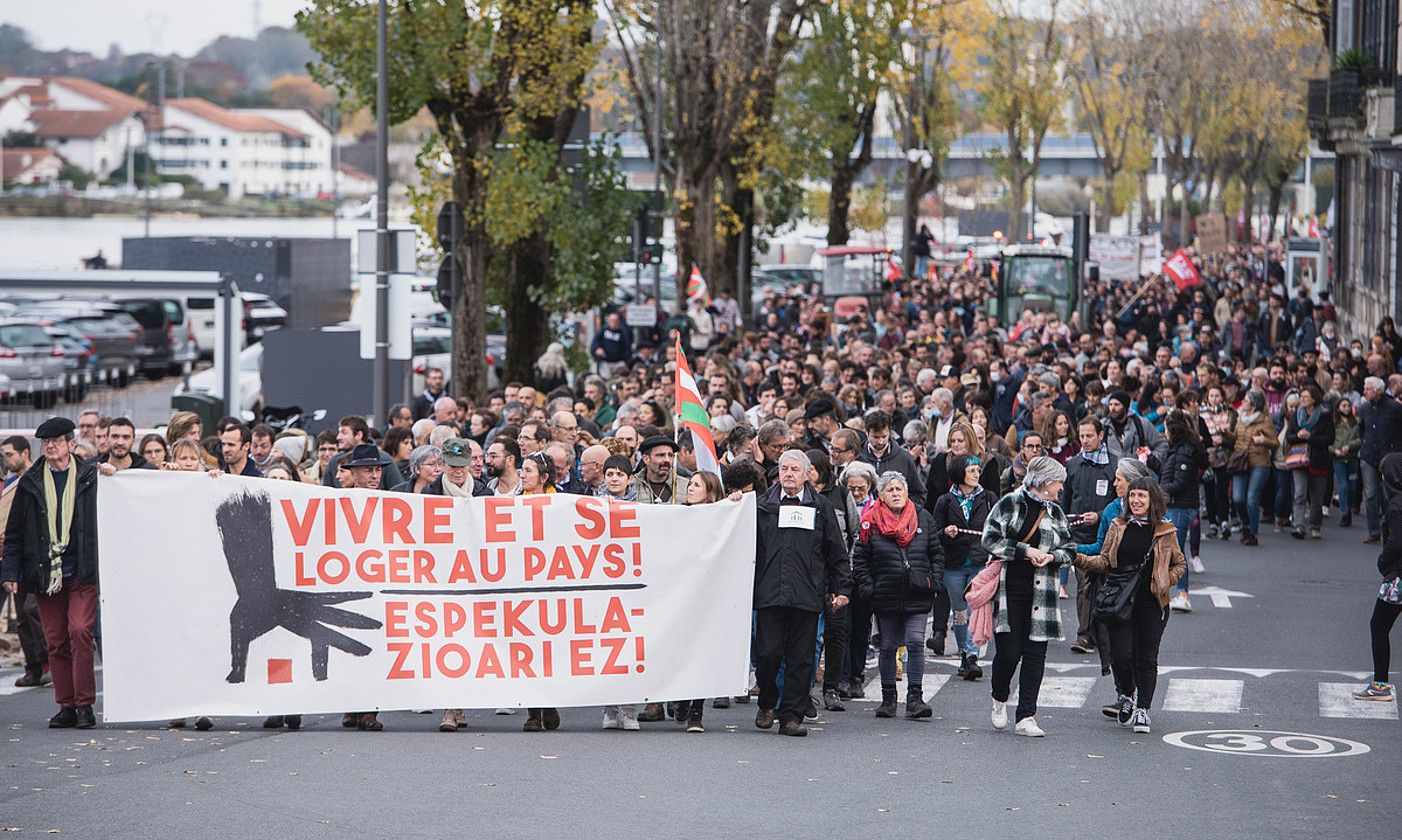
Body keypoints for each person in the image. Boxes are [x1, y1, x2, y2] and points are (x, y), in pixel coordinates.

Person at [2, 418, 100, 730]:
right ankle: (66, 705)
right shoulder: (31, 482)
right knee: (55, 641)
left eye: (57, 440)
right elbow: (15, 531)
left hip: (81, 569)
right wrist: (11, 571)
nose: (50, 446)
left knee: (80, 631)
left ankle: (84, 703)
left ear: (72, 443)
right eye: (45, 441)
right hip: (46, 573)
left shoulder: (90, 476)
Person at [1073, 478, 1186, 734]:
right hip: (1119, 601)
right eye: (1132, 496)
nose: (1135, 501)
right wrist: (1079, 559)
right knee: (1120, 655)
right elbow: (1103, 560)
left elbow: (1180, 564)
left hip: (1152, 603)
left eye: (1142, 496)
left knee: (1147, 657)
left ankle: (1143, 709)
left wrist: (1166, 580)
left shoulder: (1165, 531)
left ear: (1152, 500)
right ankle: (1126, 695)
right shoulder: (1118, 525)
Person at [753, 449, 851, 737]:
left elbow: (836, 551)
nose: (788, 474)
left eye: (794, 469)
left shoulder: (820, 507)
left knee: (801, 659)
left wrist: (841, 588)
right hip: (770, 593)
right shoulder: (763, 506)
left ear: (807, 473)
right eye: (784, 468)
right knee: (768, 654)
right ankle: (768, 701)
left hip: (807, 594)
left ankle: (791, 716)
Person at [981, 456, 1076, 737]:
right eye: (1059, 482)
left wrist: (1052, 556)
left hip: (1043, 591)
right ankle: (999, 698)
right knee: (1009, 653)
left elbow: (1070, 548)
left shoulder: (1056, 512)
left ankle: (1026, 716)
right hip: (1009, 588)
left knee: (1036, 654)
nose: (1061, 488)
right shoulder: (1010, 502)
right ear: (1046, 483)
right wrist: (1024, 551)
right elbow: (989, 539)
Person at [853, 470, 943, 720]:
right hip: (885, 594)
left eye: (899, 489)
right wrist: (869, 588)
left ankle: (915, 697)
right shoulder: (869, 522)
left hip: (918, 592)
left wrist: (935, 580)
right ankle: (888, 697)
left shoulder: (923, 518)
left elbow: (936, 553)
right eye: (890, 490)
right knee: (889, 645)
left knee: (915, 641)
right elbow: (860, 559)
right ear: (880, 495)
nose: (895, 493)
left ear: (906, 492)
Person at [672, 471, 743, 731]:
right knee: (681, 650)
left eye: (697, 485)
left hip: (708, 595)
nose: (690, 488)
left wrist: (736, 501)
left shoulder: (721, 516)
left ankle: (696, 711)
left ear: (710, 491)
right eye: (689, 484)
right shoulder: (677, 514)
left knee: (701, 650)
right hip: (680, 595)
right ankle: (680, 698)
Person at [337, 443, 394, 732]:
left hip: (380, 583)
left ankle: (370, 709)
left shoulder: (391, 502)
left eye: (377, 470)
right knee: (349, 646)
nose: (374, 475)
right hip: (347, 582)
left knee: (376, 646)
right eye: (368, 470)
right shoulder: (337, 502)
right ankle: (351, 706)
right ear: (354, 473)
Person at [930, 454, 993, 680]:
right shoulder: (945, 501)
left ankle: (972, 655)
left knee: (976, 608)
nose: (977, 474)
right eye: (971, 471)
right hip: (954, 564)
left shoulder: (988, 498)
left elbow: (997, 529)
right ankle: (964, 651)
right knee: (959, 612)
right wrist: (945, 533)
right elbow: (933, 533)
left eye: (978, 470)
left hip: (979, 563)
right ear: (959, 474)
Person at [1060, 417, 1118, 650]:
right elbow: (1065, 501)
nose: (1085, 440)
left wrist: (1100, 514)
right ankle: (1084, 635)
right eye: (1082, 436)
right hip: (1080, 536)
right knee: (1084, 586)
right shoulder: (1073, 465)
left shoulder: (1114, 465)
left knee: (1104, 586)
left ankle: (1104, 632)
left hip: (1107, 537)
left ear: (1100, 435)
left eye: (1089, 436)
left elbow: (1121, 502)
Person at [519, 452, 563, 733]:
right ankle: (533, 711)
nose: (523, 475)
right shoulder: (511, 503)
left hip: (553, 582)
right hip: (521, 583)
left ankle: (550, 701)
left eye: (528, 471)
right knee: (527, 648)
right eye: (522, 470)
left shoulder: (562, 504)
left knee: (550, 648)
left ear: (544, 478)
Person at [1354, 453, 1402, 702]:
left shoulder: (1397, 504)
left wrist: (1383, 562)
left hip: (1398, 577)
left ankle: (1380, 685)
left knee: (1378, 625)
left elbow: (1396, 542)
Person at [1, 435, 48, 689]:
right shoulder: (8, 481)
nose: (7, 459)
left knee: (33, 608)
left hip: (32, 552)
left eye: (10, 454)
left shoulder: (32, 480)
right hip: (12, 553)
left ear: (25, 452)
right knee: (21, 614)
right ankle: (34, 667)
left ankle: (48, 659)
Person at [1159, 411, 1208, 612]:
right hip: (1177, 504)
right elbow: (1168, 473)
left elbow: (1179, 482)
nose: (1164, 433)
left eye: (1166, 429)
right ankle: (1178, 592)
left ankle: (1183, 594)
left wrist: (1158, 489)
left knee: (1176, 552)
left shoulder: (1184, 451)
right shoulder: (1179, 449)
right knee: (1172, 550)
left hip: (1180, 505)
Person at [1285, 383, 1334, 540]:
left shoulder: (1325, 415)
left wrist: (1311, 438)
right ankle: (1298, 525)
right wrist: (1298, 436)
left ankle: (1315, 526)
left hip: (1318, 460)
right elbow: (1289, 437)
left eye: (1306, 397)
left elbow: (1330, 438)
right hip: (1299, 459)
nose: (1302, 399)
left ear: (1314, 398)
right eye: (1301, 397)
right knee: (1299, 493)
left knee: (1317, 497)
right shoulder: (1296, 415)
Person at [1358, 376, 1402, 544]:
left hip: (1388, 458)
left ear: (1378, 390)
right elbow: (1361, 429)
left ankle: (1390, 527)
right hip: (1369, 456)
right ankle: (1374, 531)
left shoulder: (1395, 408)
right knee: (1370, 495)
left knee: (1387, 494)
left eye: (1367, 389)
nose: (1365, 391)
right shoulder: (1365, 408)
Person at [1231, 390, 1278, 546]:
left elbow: (1275, 442)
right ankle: (1246, 524)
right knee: (1237, 498)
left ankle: (1253, 532)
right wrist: (1224, 433)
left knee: (1252, 497)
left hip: (1259, 462)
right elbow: (1234, 437)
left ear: (1254, 404)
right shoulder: (1240, 418)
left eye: (1245, 400)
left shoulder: (1264, 420)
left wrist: (1264, 440)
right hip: (1240, 461)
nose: (1243, 403)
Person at [1332, 397, 1361, 529]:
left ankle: (1349, 506)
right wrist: (1335, 450)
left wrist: (1349, 446)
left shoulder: (1356, 422)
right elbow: (1329, 440)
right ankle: (1345, 512)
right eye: (1344, 406)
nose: (1347, 408)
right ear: (1338, 408)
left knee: (1352, 486)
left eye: (1348, 406)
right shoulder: (1334, 423)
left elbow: (1360, 439)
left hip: (1352, 457)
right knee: (1343, 485)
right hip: (1338, 458)